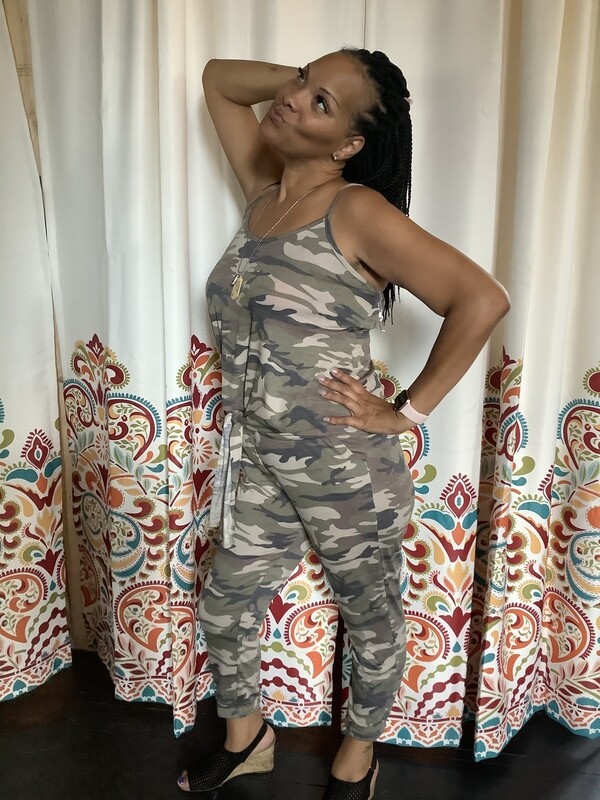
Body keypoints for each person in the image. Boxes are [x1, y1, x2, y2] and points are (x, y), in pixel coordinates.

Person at [178, 48, 509, 799]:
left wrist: (406, 411)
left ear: (350, 145)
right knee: (226, 602)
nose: (295, 100)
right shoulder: (263, 194)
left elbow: (481, 298)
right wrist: (305, 88)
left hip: (346, 465)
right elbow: (219, 81)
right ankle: (247, 738)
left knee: (370, 617)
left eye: (322, 104)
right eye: (302, 82)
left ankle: (357, 758)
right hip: (258, 455)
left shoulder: (356, 211)